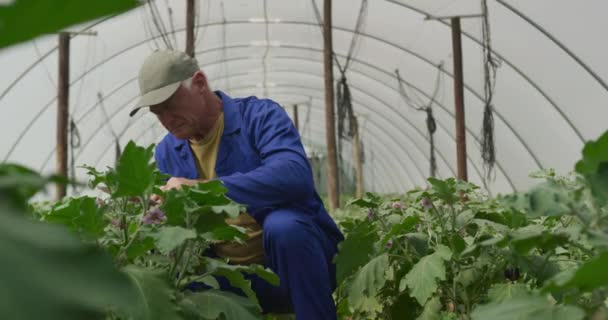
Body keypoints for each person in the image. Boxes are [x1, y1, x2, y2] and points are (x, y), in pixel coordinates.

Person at [129, 49, 343, 319]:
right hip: (230, 278)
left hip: (296, 266)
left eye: (171, 105)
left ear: (199, 83)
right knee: (179, 276)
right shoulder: (167, 153)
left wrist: (201, 188)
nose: (166, 120)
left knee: (284, 226)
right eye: (157, 113)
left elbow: (294, 175)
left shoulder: (260, 116)